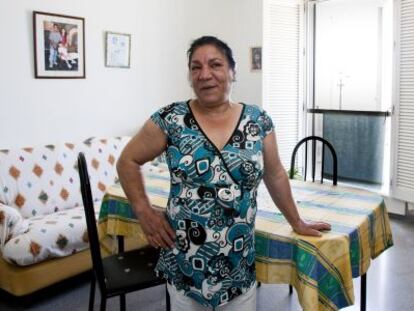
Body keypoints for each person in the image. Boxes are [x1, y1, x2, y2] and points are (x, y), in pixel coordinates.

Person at [117, 36, 331, 311]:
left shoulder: (258, 121)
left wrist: (297, 221)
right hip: (184, 264)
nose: (204, 74)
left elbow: (275, 174)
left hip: (238, 265)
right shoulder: (170, 119)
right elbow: (127, 161)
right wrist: (143, 210)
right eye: (196, 67)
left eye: (215, 64)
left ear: (233, 71)